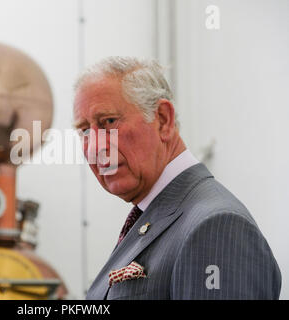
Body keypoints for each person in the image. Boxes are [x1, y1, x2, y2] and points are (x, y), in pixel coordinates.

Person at [73, 57, 281, 300]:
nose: (95, 147)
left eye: (109, 122)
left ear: (163, 120)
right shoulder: (160, 216)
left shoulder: (216, 227)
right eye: (85, 130)